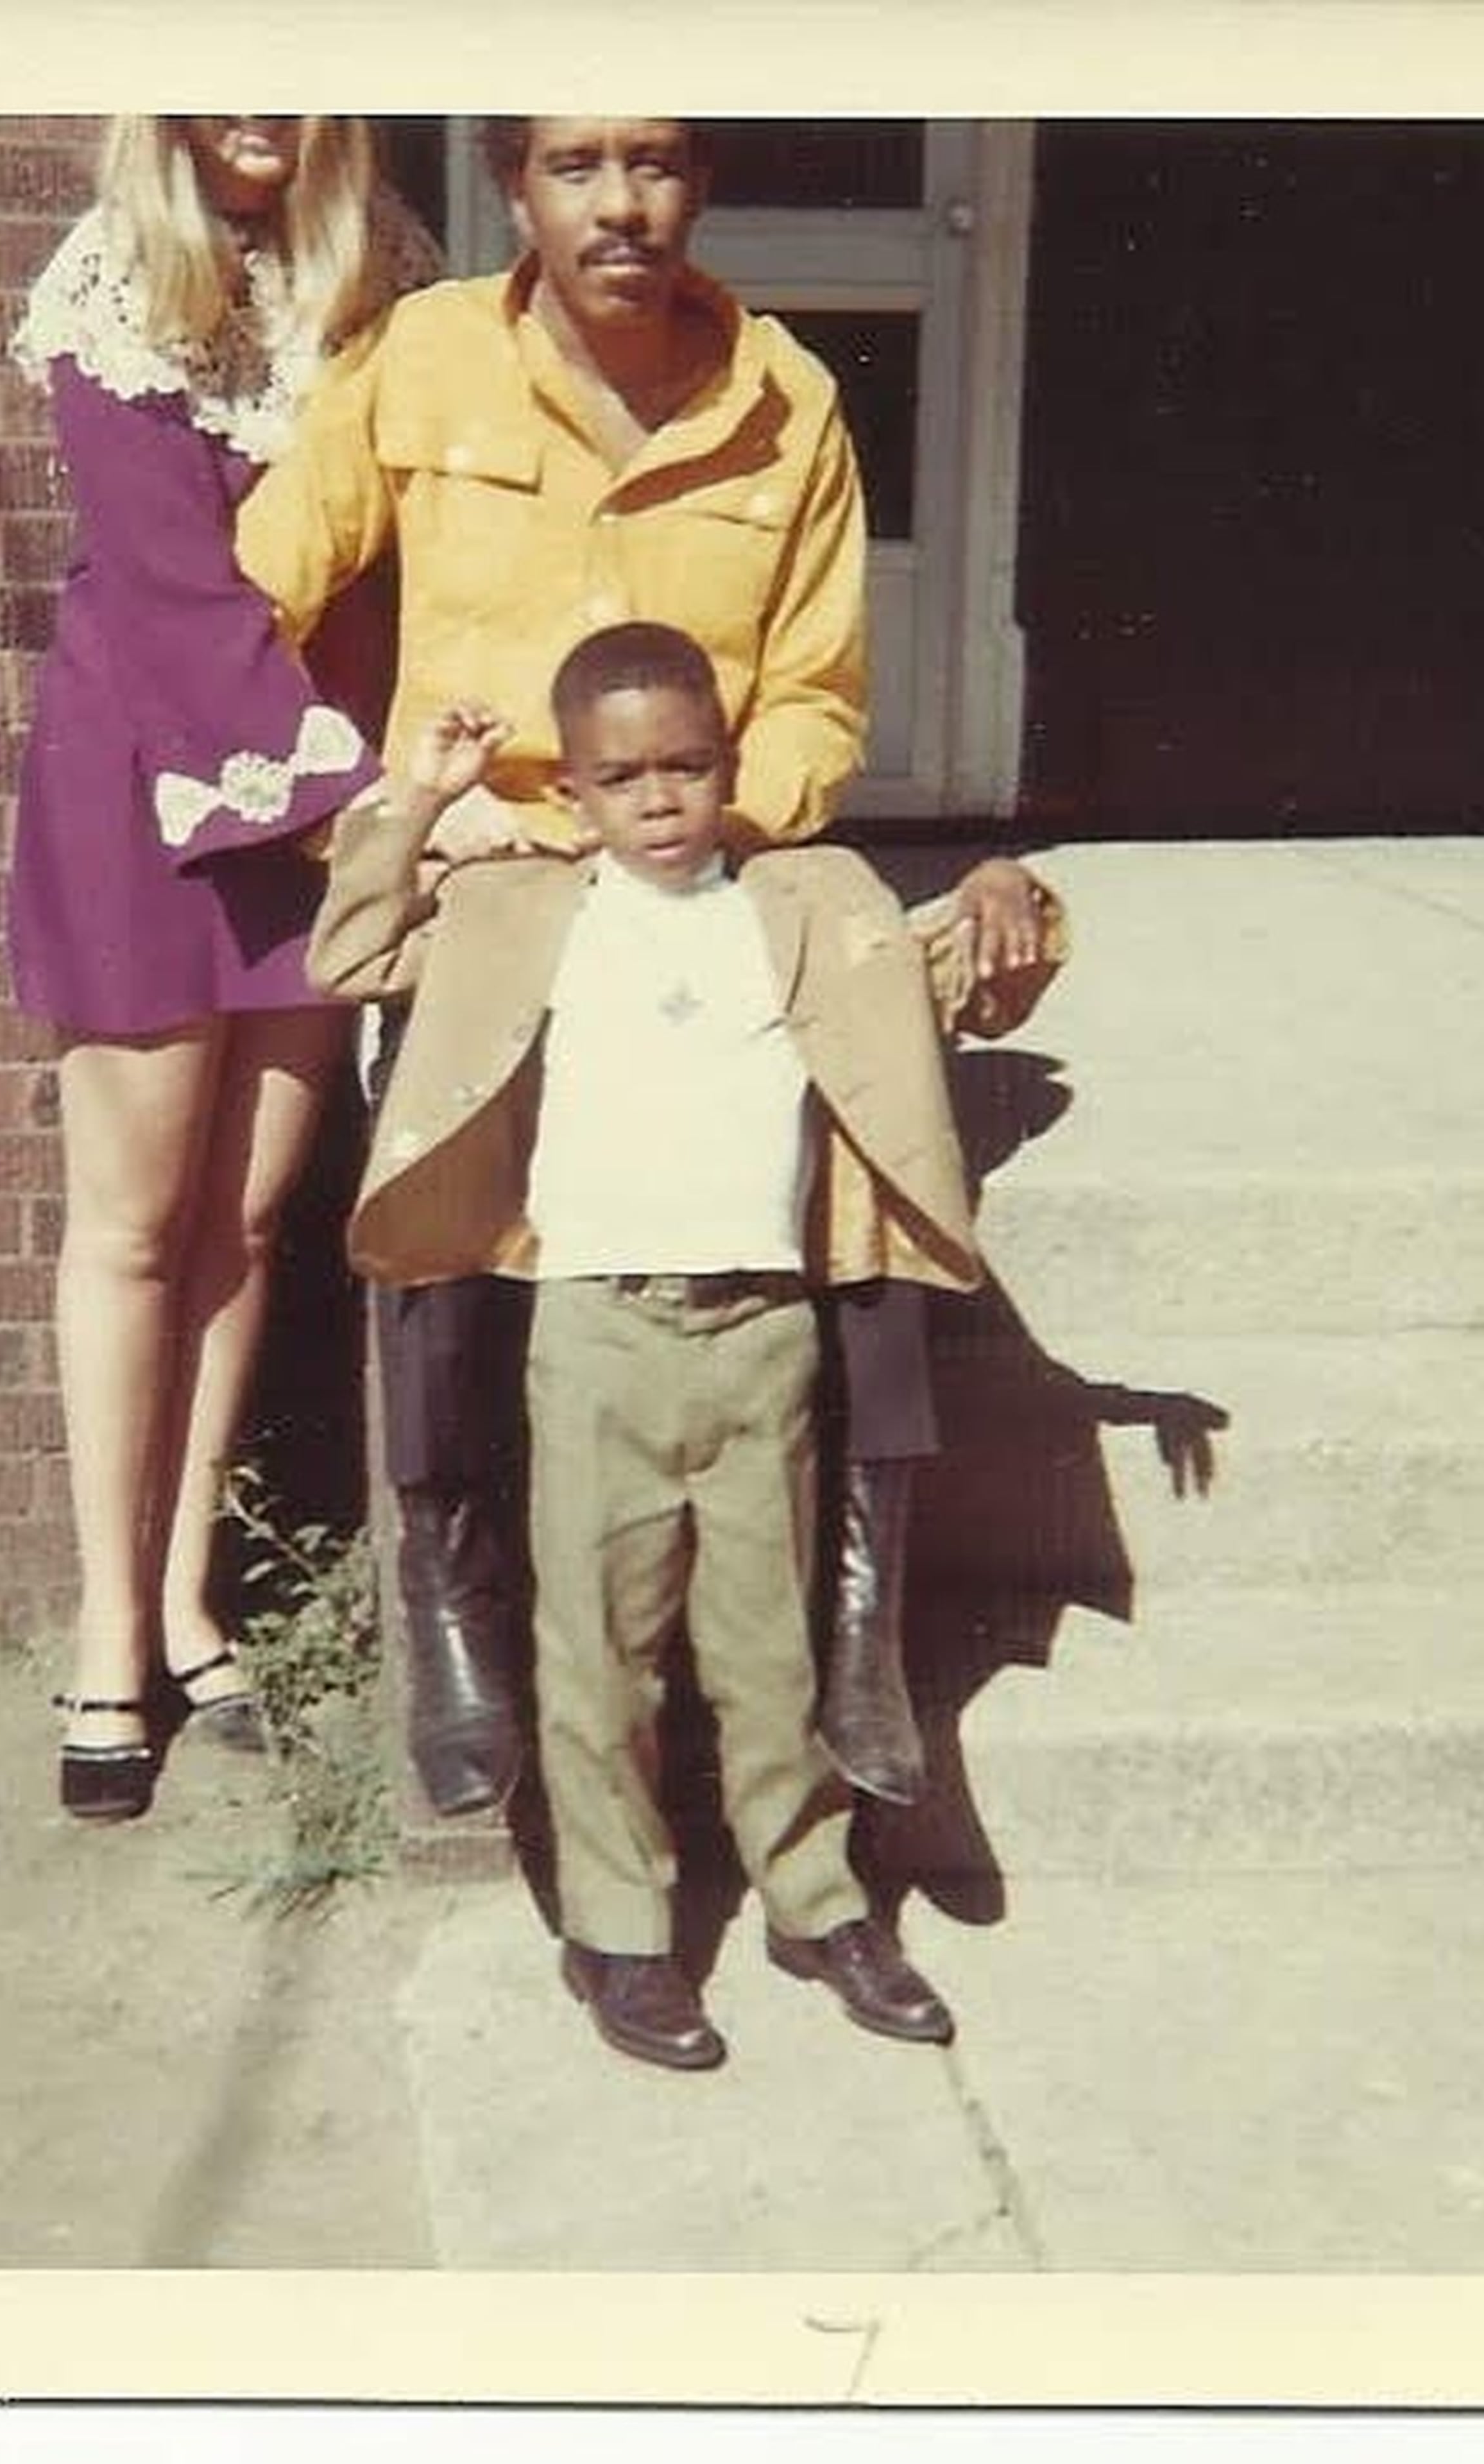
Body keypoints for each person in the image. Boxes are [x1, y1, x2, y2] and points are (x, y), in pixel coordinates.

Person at [240, 116, 1062, 1823]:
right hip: (499, 882)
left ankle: (857, 1613)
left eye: (660, 162)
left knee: (874, 1107)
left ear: (705, 183)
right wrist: (374, 811)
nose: (621, 204)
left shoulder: (788, 401)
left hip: (707, 863)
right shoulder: (423, 361)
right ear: (512, 183)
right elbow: (255, 604)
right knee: (446, 1141)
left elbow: (826, 694)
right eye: (573, 164)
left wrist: (696, 831)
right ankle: (458, 1594)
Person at [310, 622, 1008, 2068]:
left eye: (688, 767)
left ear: (729, 767)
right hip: (597, 1337)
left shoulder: (804, 902)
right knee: (601, 1649)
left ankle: (814, 1900)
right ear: (573, 792)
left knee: (769, 1648)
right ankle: (618, 1931)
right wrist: (424, 801)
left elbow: (962, 978)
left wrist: (1009, 893)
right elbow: (353, 950)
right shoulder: (527, 912)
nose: (660, 799)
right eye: (621, 776)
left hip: (763, 1337)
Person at [6, 116, 438, 1820]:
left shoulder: (387, 267)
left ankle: (187, 1593)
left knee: (245, 1219)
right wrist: (360, 798)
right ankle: (106, 1624)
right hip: (153, 782)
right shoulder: (115, 273)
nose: (258, 95)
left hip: (320, 798)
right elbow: (176, 587)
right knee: (129, 1222)